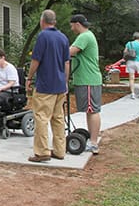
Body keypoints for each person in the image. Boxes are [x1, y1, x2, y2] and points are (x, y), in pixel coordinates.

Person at [26, 10, 70, 163]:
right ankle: (59, 151)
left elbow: (36, 60)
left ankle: (42, 151)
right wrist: (65, 82)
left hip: (45, 85)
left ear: (42, 21)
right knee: (58, 118)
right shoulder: (63, 38)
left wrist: (29, 78)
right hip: (59, 85)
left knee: (41, 117)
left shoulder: (43, 36)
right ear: (55, 22)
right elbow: (66, 62)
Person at [69, 14, 102, 155]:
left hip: (88, 79)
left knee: (92, 110)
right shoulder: (87, 35)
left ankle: (93, 143)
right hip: (87, 79)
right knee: (90, 111)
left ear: (77, 24)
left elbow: (69, 52)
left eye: (72, 25)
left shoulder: (84, 36)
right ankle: (92, 139)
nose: (71, 28)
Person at [124, 32, 139, 99]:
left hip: (130, 61)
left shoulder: (129, 43)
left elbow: (125, 52)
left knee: (131, 78)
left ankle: (132, 93)